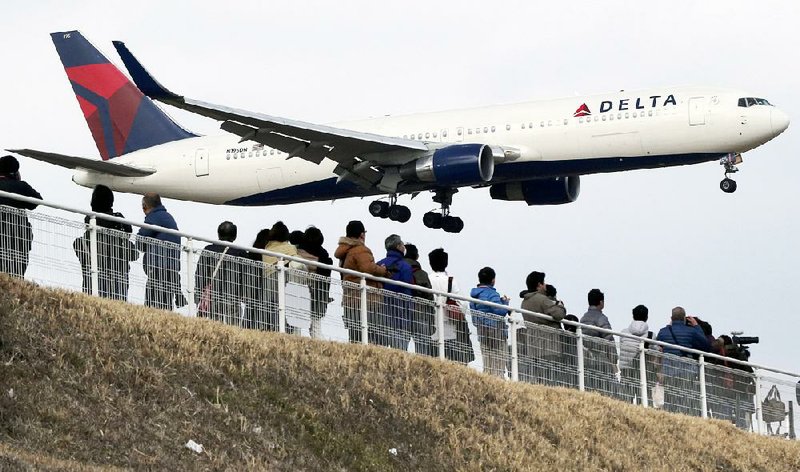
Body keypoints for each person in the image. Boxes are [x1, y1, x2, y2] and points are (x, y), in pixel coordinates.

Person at [73, 185, 138, 300]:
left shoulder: (86, 237)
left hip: (92, 283)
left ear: (92, 203)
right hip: (118, 284)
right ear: (111, 203)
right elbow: (134, 255)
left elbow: (79, 248)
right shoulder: (119, 232)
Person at [334, 220, 389, 344]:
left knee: (355, 337)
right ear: (362, 234)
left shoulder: (345, 251)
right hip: (366, 300)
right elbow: (368, 268)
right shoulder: (360, 250)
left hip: (350, 298)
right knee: (372, 336)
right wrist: (383, 270)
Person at [655, 306, 711, 415]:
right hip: (687, 371)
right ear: (685, 318)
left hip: (669, 372)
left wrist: (670, 326)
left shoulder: (663, 332)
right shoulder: (691, 332)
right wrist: (696, 326)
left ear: (671, 318)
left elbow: (660, 344)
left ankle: (671, 418)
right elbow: (706, 345)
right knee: (686, 400)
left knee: (671, 400)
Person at [137, 193, 185, 310]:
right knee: (166, 305)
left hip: (158, 268)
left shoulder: (153, 218)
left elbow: (140, 242)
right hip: (171, 270)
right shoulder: (168, 217)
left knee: (150, 305)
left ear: (145, 206)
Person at [194, 221, 247, 324]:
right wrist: (243, 294)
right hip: (233, 296)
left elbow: (200, 273)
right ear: (234, 236)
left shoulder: (208, 250)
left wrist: (199, 292)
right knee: (233, 327)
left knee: (212, 325)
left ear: (218, 234)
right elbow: (245, 276)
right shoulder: (241, 253)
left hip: (212, 295)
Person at [518, 271, 566, 385]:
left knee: (538, 381)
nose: (545, 285)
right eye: (543, 283)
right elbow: (559, 314)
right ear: (539, 284)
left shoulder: (524, 302)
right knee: (551, 381)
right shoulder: (542, 300)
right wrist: (560, 305)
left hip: (533, 347)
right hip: (549, 345)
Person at [428, 248, 473, 364]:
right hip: (451, 329)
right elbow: (463, 305)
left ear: (430, 263)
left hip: (431, 327)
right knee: (454, 363)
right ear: (446, 263)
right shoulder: (450, 280)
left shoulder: (427, 279)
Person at [0, 155, 41, 278]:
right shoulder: (21, 186)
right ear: (15, 171)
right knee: (16, 276)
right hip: (19, 237)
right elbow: (36, 201)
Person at [262, 221, 307, 333]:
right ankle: (286, 332)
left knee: (272, 309)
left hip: (269, 282)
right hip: (286, 282)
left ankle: (274, 331)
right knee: (286, 310)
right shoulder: (290, 248)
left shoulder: (266, 249)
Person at [470, 267, 510, 378]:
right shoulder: (492, 294)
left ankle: (487, 381)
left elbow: (474, 319)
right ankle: (498, 381)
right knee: (499, 361)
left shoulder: (474, 296)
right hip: (496, 332)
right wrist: (505, 303)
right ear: (493, 280)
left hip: (482, 331)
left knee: (487, 362)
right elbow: (500, 311)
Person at [376, 234, 414, 349]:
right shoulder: (405, 266)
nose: (404, 247)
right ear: (398, 246)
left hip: (381, 311)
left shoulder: (379, 264)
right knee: (400, 350)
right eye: (402, 244)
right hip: (401, 312)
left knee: (381, 349)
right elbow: (408, 284)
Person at [580, 288, 619, 394]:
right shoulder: (602, 318)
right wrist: (614, 358)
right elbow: (608, 338)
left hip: (586, 358)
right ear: (601, 302)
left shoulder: (583, 318)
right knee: (607, 388)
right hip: (601, 359)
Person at [298, 226, 333, 340]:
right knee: (316, 326)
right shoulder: (323, 256)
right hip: (317, 292)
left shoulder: (297, 251)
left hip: (299, 289)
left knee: (296, 323)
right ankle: (318, 343)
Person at [403, 243, 436, 357]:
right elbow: (429, 297)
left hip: (401, 311)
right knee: (422, 349)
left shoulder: (397, 269)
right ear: (416, 257)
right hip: (420, 312)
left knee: (401, 346)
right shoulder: (422, 274)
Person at [618, 304, 654, 404]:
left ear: (633, 316)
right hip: (643, 372)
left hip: (626, 370)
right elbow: (654, 354)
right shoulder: (651, 336)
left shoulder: (623, 333)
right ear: (647, 317)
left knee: (625, 401)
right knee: (643, 400)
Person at [242, 229, 270, 330]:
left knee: (248, 318)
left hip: (251, 300)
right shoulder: (270, 261)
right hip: (266, 302)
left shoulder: (250, 257)